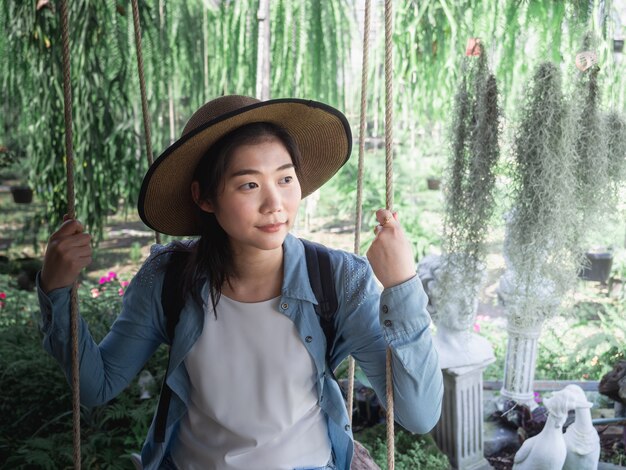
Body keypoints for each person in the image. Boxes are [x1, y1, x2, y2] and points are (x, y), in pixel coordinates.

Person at [38, 95, 443, 470]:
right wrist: (56, 293)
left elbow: (420, 414)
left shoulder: (337, 280)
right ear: (205, 197)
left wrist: (403, 284)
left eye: (285, 179)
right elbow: (98, 384)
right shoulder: (168, 278)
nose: (275, 205)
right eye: (249, 184)